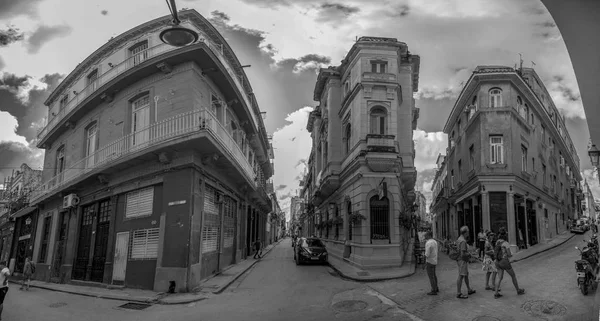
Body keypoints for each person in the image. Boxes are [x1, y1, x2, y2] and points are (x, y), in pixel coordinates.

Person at [494, 228, 525, 298]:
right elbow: (509, 254)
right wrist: (511, 255)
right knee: (513, 276)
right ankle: (518, 290)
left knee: (499, 277)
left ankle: (496, 293)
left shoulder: (497, 242)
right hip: (504, 261)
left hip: (497, 261)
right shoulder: (506, 243)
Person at [456, 226, 476, 299]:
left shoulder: (459, 239)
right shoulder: (463, 241)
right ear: (466, 232)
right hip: (462, 260)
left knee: (466, 274)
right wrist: (470, 254)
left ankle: (469, 289)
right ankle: (458, 293)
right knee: (461, 275)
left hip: (460, 260)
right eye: (468, 231)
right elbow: (462, 254)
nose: (468, 233)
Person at [424, 231, 439, 295]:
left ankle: (433, 290)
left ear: (429, 235)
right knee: (434, 275)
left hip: (429, 261)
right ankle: (436, 287)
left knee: (431, 276)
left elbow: (427, 254)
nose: (425, 236)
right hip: (434, 260)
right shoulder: (434, 242)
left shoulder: (428, 243)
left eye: (426, 235)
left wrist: (423, 261)